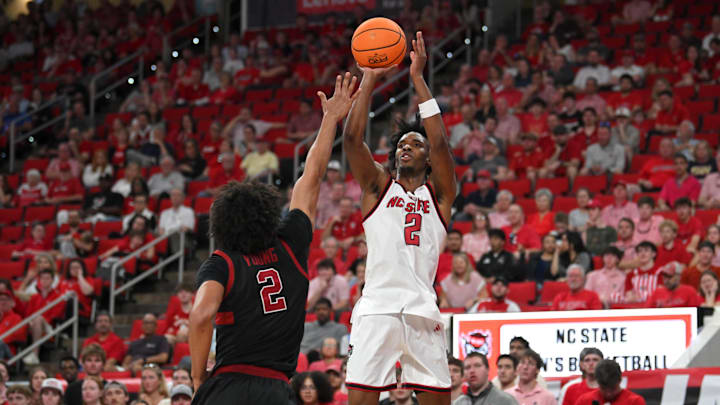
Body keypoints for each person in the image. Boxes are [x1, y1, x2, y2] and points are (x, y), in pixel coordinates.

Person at [188, 72, 358, 404]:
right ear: (268, 213)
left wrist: (198, 376)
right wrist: (331, 120)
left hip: (228, 384)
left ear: (222, 225)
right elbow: (312, 176)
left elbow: (200, 315)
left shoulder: (222, 263)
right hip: (277, 389)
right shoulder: (291, 242)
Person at [343, 32, 456, 400]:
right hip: (377, 309)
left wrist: (419, 79)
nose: (407, 147)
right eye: (402, 144)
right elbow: (351, 140)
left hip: (423, 311)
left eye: (415, 144)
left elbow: (440, 142)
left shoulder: (439, 196)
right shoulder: (378, 188)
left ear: (427, 159)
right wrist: (370, 78)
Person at [453, 353, 518, 405]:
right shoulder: (458, 402)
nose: (472, 371)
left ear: (487, 370)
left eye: (477, 365)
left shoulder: (505, 400)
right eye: (467, 367)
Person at [574, 359, 646, 405]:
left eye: (613, 389)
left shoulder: (634, 402)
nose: (608, 394)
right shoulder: (584, 401)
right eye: (604, 389)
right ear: (598, 383)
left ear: (620, 380)